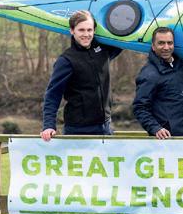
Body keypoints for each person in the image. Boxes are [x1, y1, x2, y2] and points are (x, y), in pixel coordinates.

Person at [40, 10, 122, 141]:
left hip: (105, 126)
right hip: (78, 129)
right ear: (72, 31)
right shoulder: (66, 60)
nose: (86, 34)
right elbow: (53, 94)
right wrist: (48, 125)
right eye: (81, 30)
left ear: (94, 30)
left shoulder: (103, 50)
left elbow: (123, 36)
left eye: (89, 30)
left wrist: (124, 7)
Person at [133, 27, 183, 139]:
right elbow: (140, 107)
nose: (166, 47)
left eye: (169, 43)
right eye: (161, 43)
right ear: (153, 46)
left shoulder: (180, 65)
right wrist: (156, 128)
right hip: (166, 140)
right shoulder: (149, 74)